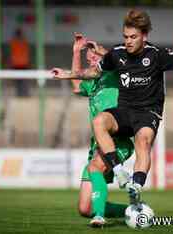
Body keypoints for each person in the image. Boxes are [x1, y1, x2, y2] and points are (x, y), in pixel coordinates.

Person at [52, 9, 173, 205]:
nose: (128, 41)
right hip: (124, 110)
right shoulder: (117, 54)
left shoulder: (157, 55)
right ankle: (119, 171)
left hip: (148, 112)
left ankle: (136, 186)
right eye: (125, 37)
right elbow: (93, 72)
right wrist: (67, 74)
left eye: (133, 37)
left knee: (143, 141)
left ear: (144, 36)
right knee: (99, 121)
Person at [68, 33, 134, 227]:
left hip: (117, 138)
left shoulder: (115, 74)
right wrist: (76, 53)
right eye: (89, 60)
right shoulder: (93, 81)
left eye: (94, 58)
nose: (91, 62)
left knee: (95, 166)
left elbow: (116, 58)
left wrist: (101, 51)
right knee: (84, 208)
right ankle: (133, 210)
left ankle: (99, 216)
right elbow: (76, 83)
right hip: (98, 143)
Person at [9, 28, 30, 96]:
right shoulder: (24, 41)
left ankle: (20, 94)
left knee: (19, 81)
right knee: (23, 80)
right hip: (23, 64)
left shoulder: (14, 42)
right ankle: (24, 94)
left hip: (17, 64)